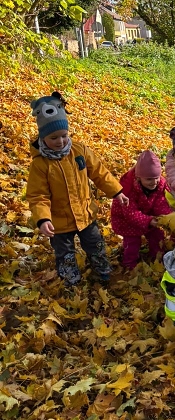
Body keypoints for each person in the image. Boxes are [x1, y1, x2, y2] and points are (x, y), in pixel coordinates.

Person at [25, 91, 128, 285]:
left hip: (85, 214)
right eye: (54, 138)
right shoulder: (40, 164)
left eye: (64, 135)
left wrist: (117, 191)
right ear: (43, 137)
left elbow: (100, 173)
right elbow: (38, 195)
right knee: (64, 253)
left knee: (95, 244)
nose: (61, 141)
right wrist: (43, 219)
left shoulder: (79, 152)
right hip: (59, 221)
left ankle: (102, 271)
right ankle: (70, 279)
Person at [111, 150, 171, 269]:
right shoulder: (128, 189)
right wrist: (148, 221)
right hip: (127, 221)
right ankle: (130, 265)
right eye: (149, 179)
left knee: (158, 237)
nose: (154, 182)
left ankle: (157, 259)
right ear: (139, 177)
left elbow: (161, 203)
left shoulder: (161, 184)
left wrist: (164, 217)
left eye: (156, 178)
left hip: (149, 216)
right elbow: (130, 213)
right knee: (132, 244)